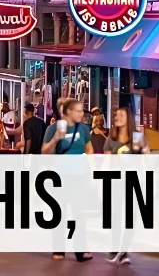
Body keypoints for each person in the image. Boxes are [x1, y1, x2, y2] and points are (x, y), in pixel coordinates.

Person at [42, 99, 93, 262]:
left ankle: (81, 250)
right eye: (78, 111)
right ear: (68, 112)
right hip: (59, 177)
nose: (81, 114)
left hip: (78, 177)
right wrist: (56, 138)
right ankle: (59, 249)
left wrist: (91, 169)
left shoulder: (84, 129)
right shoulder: (53, 128)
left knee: (79, 213)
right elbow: (44, 152)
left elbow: (89, 148)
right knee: (59, 214)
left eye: (82, 111)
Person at [104, 107, 144, 265]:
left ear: (129, 118)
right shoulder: (111, 139)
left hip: (133, 182)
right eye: (116, 116)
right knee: (115, 217)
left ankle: (124, 251)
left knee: (129, 218)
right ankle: (115, 248)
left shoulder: (137, 137)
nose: (117, 118)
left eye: (121, 115)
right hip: (115, 182)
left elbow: (144, 161)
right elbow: (107, 163)